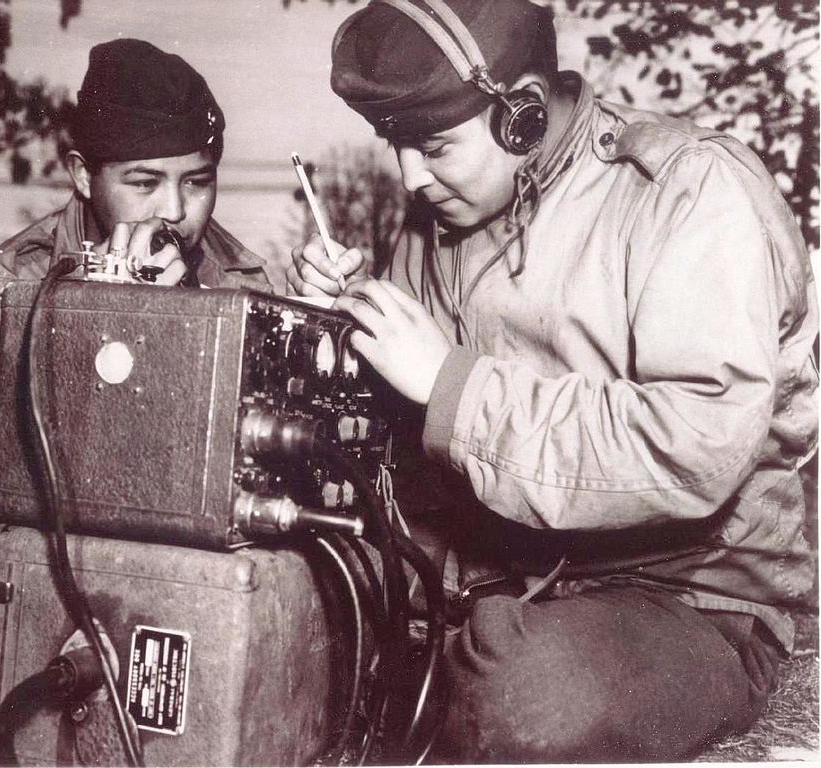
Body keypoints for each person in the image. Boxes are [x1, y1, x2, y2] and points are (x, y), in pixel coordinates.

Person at [287, 0, 817, 761]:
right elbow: (409, 431)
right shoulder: (442, 214)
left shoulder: (691, 192)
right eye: (396, 146)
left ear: (523, 117)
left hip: (688, 595)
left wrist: (452, 385)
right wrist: (343, 327)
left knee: (522, 698)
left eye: (433, 146)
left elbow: (695, 446)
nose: (411, 177)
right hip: (500, 571)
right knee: (285, 597)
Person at [0, 38, 270, 450]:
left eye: (197, 182)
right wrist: (92, 322)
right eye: (144, 183)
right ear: (84, 176)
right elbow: (16, 473)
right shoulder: (6, 292)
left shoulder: (239, 278)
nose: (174, 210)